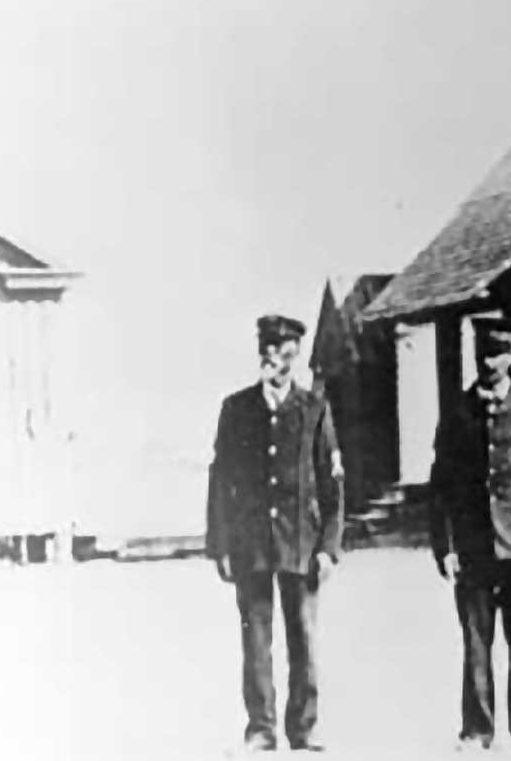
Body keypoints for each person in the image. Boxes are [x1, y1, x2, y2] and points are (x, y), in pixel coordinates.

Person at [206, 313, 345, 753]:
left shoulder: (314, 409)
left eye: (282, 352)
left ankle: (304, 728)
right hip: (252, 545)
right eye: (266, 350)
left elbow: (332, 482)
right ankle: (261, 729)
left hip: (301, 544)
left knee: (303, 640)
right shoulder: (236, 409)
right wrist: (221, 544)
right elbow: (220, 480)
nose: (273, 359)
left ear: (295, 357)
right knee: (256, 642)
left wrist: (329, 548)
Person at [429, 316, 511, 754]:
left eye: (499, 353)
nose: (490, 362)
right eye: (483, 353)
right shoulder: (456, 412)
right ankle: (477, 729)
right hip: (473, 547)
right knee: (475, 642)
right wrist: (444, 546)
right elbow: (441, 485)